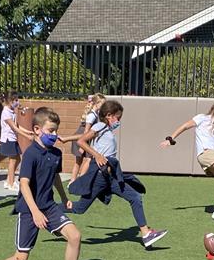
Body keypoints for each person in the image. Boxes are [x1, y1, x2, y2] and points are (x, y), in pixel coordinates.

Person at [0, 108, 93, 260]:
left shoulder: (56, 153)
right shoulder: (31, 154)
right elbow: (24, 184)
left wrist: (64, 199)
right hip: (28, 209)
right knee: (21, 257)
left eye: (56, 130)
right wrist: (34, 212)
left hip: (49, 206)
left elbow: (55, 177)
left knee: (74, 236)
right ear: (37, 129)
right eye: (50, 131)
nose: (54, 135)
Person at [71, 100, 168, 249]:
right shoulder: (101, 126)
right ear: (109, 115)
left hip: (110, 178)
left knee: (135, 197)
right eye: (118, 117)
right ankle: (46, 210)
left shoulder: (107, 130)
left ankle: (146, 234)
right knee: (79, 208)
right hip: (99, 176)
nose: (119, 121)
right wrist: (97, 155)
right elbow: (81, 141)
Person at [0, 91, 34, 191]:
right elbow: (14, 128)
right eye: (16, 100)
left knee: (17, 159)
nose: (18, 102)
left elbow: (17, 126)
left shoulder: (11, 111)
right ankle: (11, 182)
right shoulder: (6, 112)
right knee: (13, 161)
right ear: (10, 101)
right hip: (8, 139)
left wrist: (28, 132)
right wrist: (27, 136)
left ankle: (8, 181)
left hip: (13, 138)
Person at [70, 93, 105, 183]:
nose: (103, 106)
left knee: (79, 161)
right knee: (88, 159)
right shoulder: (92, 115)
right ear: (96, 103)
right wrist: (82, 146)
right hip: (83, 138)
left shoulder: (94, 114)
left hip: (84, 138)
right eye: (102, 104)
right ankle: (79, 180)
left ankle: (74, 180)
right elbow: (86, 131)